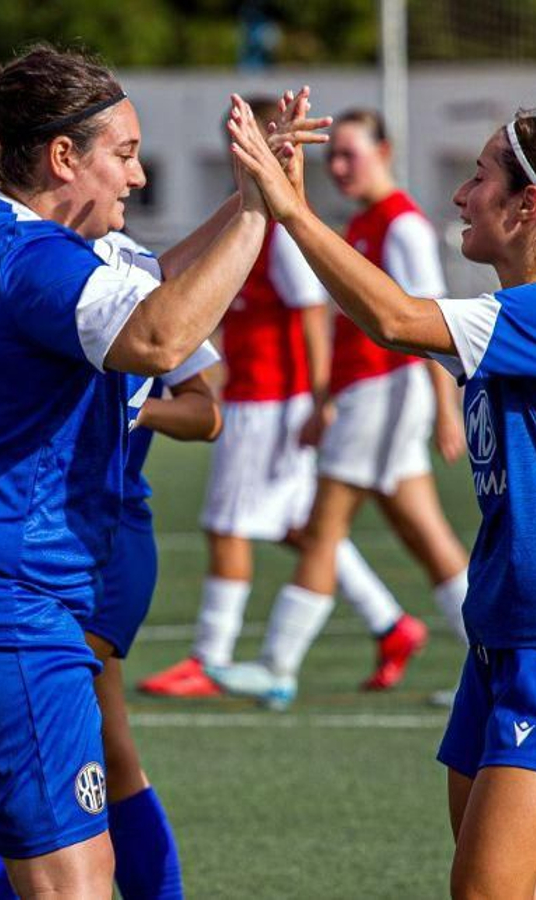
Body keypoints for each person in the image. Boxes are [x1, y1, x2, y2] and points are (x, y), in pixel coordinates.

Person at [225, 99, 536, 895]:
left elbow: (391, 316)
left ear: (527, 207)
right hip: (505, 640)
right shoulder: (528, 318)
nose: (459, 196)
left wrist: (292, 210)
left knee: (484, 892)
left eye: (478, 176)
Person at [0, 45, 271, 900]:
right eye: (126, 153)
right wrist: (262, 214)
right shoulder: (33, 263)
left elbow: (150, 286)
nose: (138, 177)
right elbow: (157, 339)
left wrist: (255, 200)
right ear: (64, 157)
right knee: (77, 882)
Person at [0, 230, 222, 900]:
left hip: (105, 545)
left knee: (35, 759)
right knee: (104, 759)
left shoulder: (126, 266)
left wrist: (140, 411)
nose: (132, 175)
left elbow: (206, 413)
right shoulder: (27, 257)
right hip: (41, 546)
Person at [137, 92, 410, 701]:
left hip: (271, 400)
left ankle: (209, 657)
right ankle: (390, 622)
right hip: (261, 393)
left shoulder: (279, 229)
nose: (234, 146)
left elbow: (312, 310)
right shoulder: (247, 214)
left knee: (227, 524)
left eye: (246, 136)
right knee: (297, 526)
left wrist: (317, 397)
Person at [213, 108, 472, 709]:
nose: (338, 166)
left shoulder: (402, 225)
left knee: (323, 525)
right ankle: (495, 666)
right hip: (366, 395)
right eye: (334, 155)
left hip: (384, 393)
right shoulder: (364, 223)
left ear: (385, 151)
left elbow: (432, 315)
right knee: (427, 537)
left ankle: (277, 667)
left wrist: (445, 406)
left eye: (350, 152)